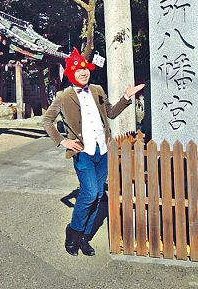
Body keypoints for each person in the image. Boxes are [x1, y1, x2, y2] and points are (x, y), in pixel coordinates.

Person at [42, 48, 144, 256]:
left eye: (85, 70)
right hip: (83, 151)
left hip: (103, 149)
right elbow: (47, 121)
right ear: (71, 74)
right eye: (78, 71)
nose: (83, 73)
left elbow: (111, 113)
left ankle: (85, 237)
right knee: (89, 193)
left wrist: (126, 97)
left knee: (98, 196)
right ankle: (73, 232)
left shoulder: (97, 89)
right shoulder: (63, 96)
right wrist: (63, 141)